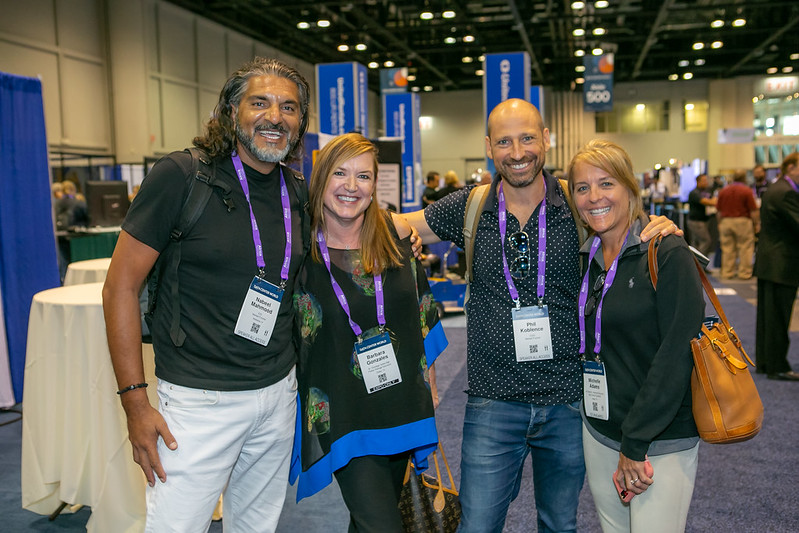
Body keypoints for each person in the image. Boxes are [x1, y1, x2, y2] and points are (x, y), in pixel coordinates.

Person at [402, 98, 679, 533]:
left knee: (558, 524)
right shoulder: (470, 206)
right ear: (489, 146)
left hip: (569, 400)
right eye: (505, 141)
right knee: (477, 525)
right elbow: (398, 226)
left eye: (528, 138)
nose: (518, 152)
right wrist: (344, 203)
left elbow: (631, 228)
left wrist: (660, 225)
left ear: (546, 139)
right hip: (493, 400)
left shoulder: (579, 202)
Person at [102, 57, 311, 532]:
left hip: (278, 394)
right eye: (259, 103)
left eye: (289, 107)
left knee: (255, 528)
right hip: (199, 403)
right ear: (231, 111)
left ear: (300, 123)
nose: (275, 117)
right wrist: (136, 404)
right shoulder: (181, 176)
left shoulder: (296, 190)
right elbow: (120, 287)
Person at [290, 133, 447, 531]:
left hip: (400, 406)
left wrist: (428, 385)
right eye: (340, 173)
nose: (351, 186)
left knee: (368, 524)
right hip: (344, 413)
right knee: (382, 525)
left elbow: (419, 315)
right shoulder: (296, 249)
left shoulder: (395, 239)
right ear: (321, 178)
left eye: (363, 176)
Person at [569, 139, 704, 533]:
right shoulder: (586, 258)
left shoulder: (666, 253)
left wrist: (635, 442)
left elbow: (677, 355)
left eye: (606, 183)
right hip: (599, 429)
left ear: (630, 187)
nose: (594, 197)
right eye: (582, 187)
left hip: (657, 439)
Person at [754, 152, 799, 381]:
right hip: (782, 263)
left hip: (771, 262)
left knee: (768, 317)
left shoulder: (776, 187)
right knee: (778, 318)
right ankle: (777, 365)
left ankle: (766, 362)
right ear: (790, 167)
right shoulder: (787, 192)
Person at [716, 169, 759, 280]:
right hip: (742, 221)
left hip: (726, 221)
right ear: (744, 178)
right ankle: (744, 273)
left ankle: (727, 272)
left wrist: (719, 223)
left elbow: (719, 211)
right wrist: (756, 223)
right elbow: (753, 210)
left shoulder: (723, 191)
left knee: (727, 249)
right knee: (745, 248)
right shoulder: (747, 191)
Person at [686, 173, 716, 258]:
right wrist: (713, 201)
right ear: (698, 182)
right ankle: (700, 264)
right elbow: (708, 202)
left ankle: (698, 266)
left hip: (703, 220)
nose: (706, 182)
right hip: (696, 221)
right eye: (704, 181)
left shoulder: (705, 191)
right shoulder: (694, 193)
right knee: (706, 241)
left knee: (696, 243)